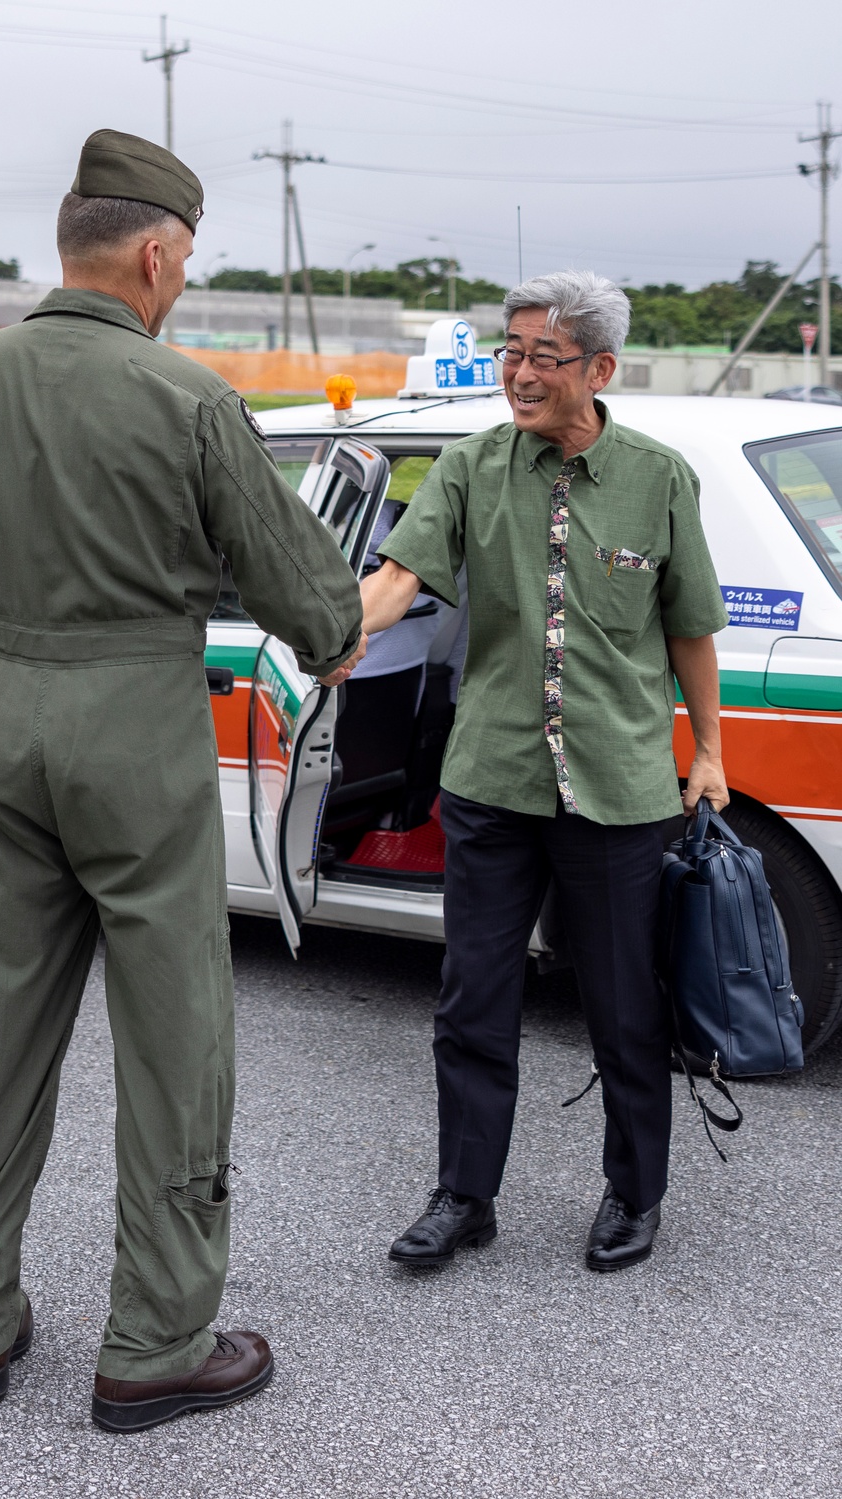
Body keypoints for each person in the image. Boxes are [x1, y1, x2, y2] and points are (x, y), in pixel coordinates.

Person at [0, 128, 364, 1432]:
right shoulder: (191, 402)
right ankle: (154, 1341)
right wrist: (343, 619)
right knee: (174, 1044)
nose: (181, 281)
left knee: (0, 1032)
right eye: (185, 259)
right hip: (138, 742)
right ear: (154, 252)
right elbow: (313, 604)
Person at [359, 270, 729, 1274]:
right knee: (471, 996)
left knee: (622, 1002)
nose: (517, 373)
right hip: (492, 778)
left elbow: (690, 625)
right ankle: (463, 1195)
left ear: (599, 368)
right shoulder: (473, 466)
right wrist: (336, 632)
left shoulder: (657, 477)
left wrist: (707, 749)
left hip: (616, 787)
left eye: (542, 356)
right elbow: (398, 577)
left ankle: (633, 1191)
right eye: (509, 352)